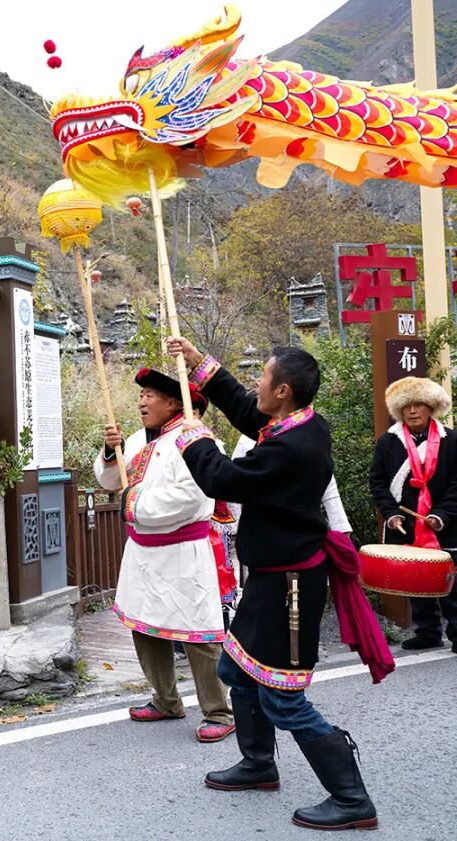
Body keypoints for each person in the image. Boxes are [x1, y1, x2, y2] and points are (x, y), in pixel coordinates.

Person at [167, 336, 393, 832]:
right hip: (270, 579)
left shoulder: (292, 449)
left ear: (283, 390)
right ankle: (258, 764)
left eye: (263, 378)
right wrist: (200, 365)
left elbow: (224, 479)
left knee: (284, 697)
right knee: (237, 670)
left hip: (291, 587)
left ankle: (352, 798)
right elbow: (249, 412)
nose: (256, 384)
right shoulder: (301, 424)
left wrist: (193, 438)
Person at [96, 367, 235, 743]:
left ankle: (218, 711)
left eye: (149, 396)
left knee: (198, 633)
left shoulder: (196, 440)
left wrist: (134, 503)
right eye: (140, 395)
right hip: (142, 553)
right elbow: (111, 482)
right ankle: (166, 699)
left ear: (173, 402)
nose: (141, 402)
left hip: (183, 552)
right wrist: (109, 452)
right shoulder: (137, 440)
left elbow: (192, 496)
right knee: (145, 625)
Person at [367, 376, 457, 653]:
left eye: (419, 405)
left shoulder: (451, 440)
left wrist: (441, 515)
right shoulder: (388, 442)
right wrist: (391, 513)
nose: (413, 411)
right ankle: (427, 631)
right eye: (407, 406)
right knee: (415, 579)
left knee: (450, 579)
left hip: (444, 522)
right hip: (406, 522)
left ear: (431, 407)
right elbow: (377, 481)